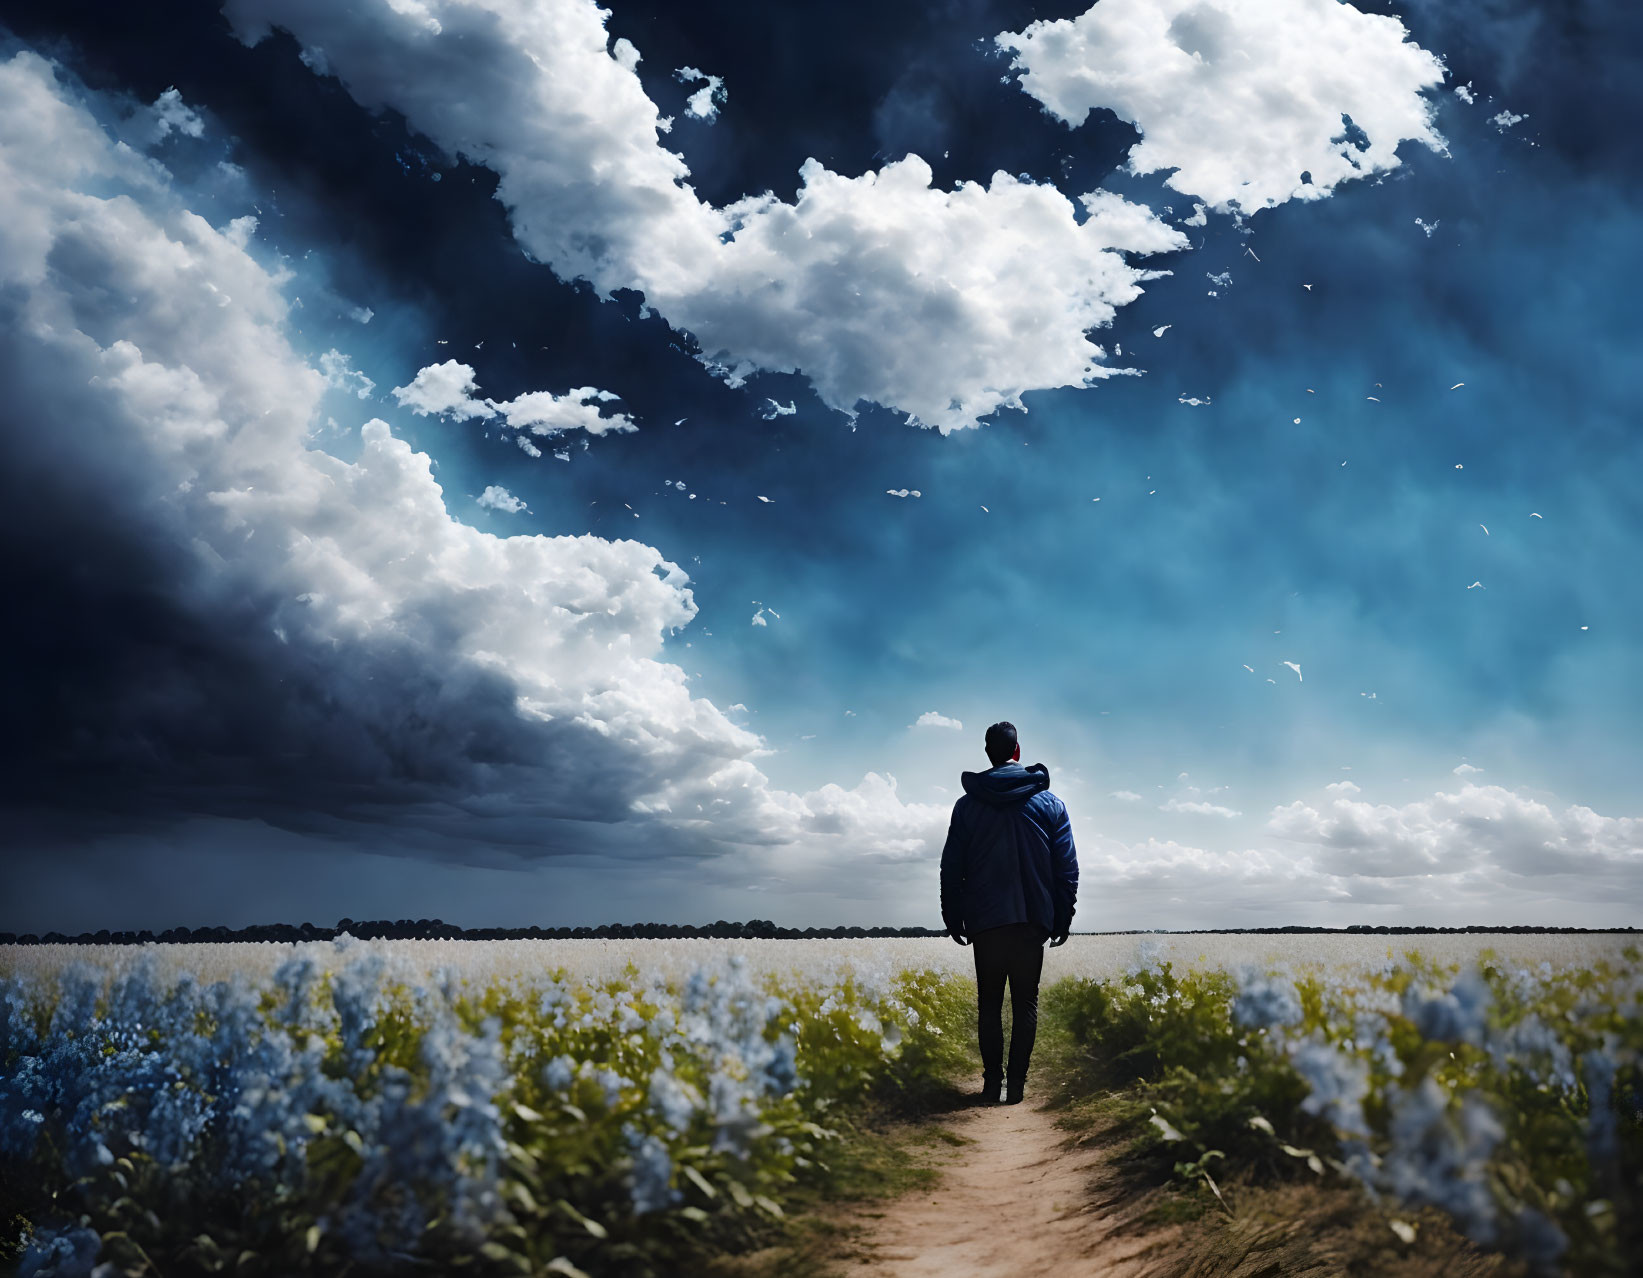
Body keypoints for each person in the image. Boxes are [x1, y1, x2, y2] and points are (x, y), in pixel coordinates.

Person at [939, 721, 1078, 1105]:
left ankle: (989, 1086)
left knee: (989, 1005)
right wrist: (1062, 917)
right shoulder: (1051, 804)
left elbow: (952, 867)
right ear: (1017, 752)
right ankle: (1015, 1088)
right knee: (1026, 1004)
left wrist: (953, 916)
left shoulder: (967, 806)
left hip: (985, 921)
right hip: (1032, 921)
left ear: (989, 753)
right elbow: (1066, 868)